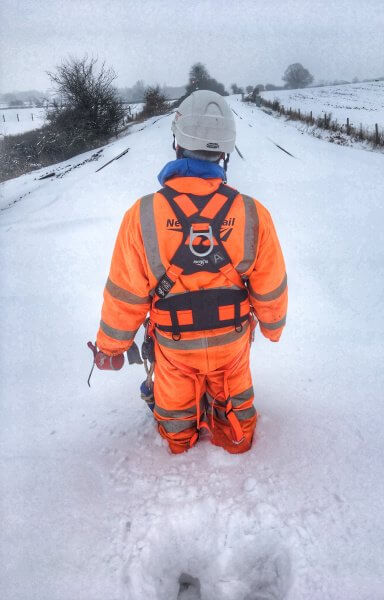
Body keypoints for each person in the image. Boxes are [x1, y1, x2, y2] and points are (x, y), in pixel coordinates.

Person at [93, 90, 287, 454]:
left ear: (177, 142)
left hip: (174, 345)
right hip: (232, 340)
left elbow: (125, 293)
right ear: (225, 151)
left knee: (177, 432)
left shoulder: (143, 214)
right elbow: (270, 283)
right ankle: (230, 428)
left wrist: (111, 348)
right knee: (238, 430)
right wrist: (273, 327)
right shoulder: (252, 212)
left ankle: (184, 437)